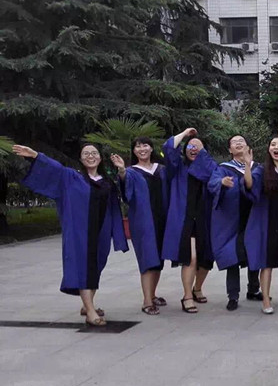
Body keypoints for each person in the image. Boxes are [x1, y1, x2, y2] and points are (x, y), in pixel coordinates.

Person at [13, 143, 128, 326]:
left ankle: (87, 304)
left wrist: (121, 170)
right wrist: (35, 155)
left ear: (100, 158)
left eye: (94, 153)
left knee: (96, 265)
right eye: (86, 153)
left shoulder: (107, 182)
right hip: (79, 232)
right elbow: (55, 169)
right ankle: (90, 312)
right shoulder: (73, 177)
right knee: (83, 267)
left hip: (101, 231)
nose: (90, 156)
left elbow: (124, 194)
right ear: (81, 159)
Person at [110, 138, 168, 315]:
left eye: (145, 145)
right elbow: (125, 192)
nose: (142, 149)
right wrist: (121, 170)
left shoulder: (161, 169)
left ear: (151, 148)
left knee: (158, 260)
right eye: (138, 146)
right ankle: (147, 301)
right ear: (134, 151)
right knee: (147, 260)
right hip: (143, 222)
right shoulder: (131, 172)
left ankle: (153, 294)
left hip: (162, 220)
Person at [243, 131, 278, 314]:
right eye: (273, 145)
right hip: (266, 220)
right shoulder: (262, 169)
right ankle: (266, 298)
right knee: (266, 261)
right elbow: (250, 185)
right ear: (269, 149)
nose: (276, 147)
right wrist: (247, 165)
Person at [162, 128, 217, 314]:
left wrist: (202, 153)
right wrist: (185, 134)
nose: (193, 149)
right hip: (184, 218)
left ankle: (197, 288)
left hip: (204, 218)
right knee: (190, 258)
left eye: (198, 147)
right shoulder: (178, 167)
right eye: (190, 147)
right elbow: (168, 147)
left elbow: (215, 178)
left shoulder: (209, 167)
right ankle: (187, 296)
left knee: (206, 259)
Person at [208, 135, 264, 312]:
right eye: (234, 142)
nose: (238, 143)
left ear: (248, 148)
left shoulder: (258, 167)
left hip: (253, 216)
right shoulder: (224, 168)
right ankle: (233, 296)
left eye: (242, 141)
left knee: (254, 253)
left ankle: (253, 289)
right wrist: (221, 182)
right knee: (231, 255)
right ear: (230, 150)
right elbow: (212, 183)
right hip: (231, 220)